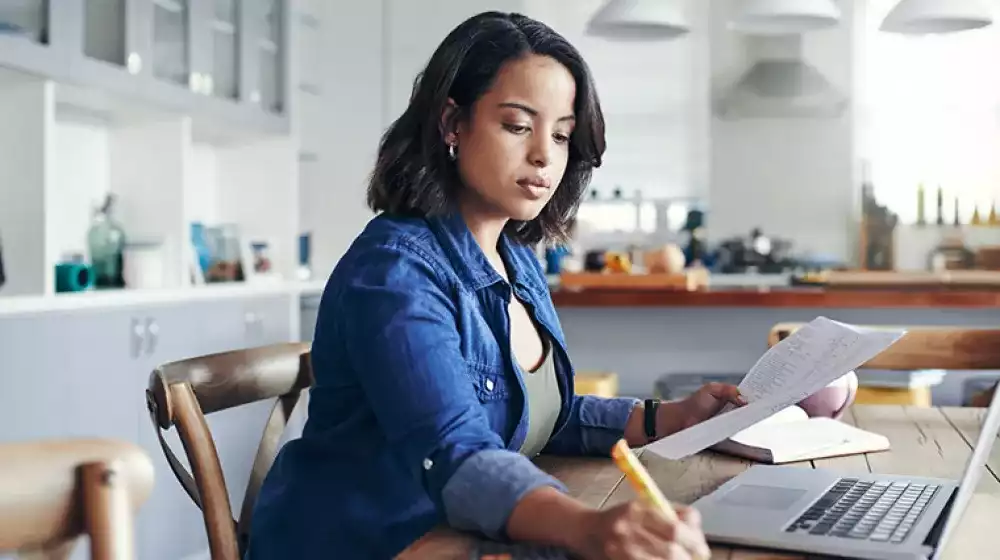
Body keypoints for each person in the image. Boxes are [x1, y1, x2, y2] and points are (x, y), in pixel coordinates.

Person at [248, 11, 746, 560]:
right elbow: (456, 452)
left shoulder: (518, 260)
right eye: (517, 126)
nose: (544, 155)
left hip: (457, 535)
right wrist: (588, 528)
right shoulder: (394, 273)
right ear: (451, 124)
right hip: (375, 543)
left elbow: (535, 417)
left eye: (560, 135)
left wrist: (670, 418)